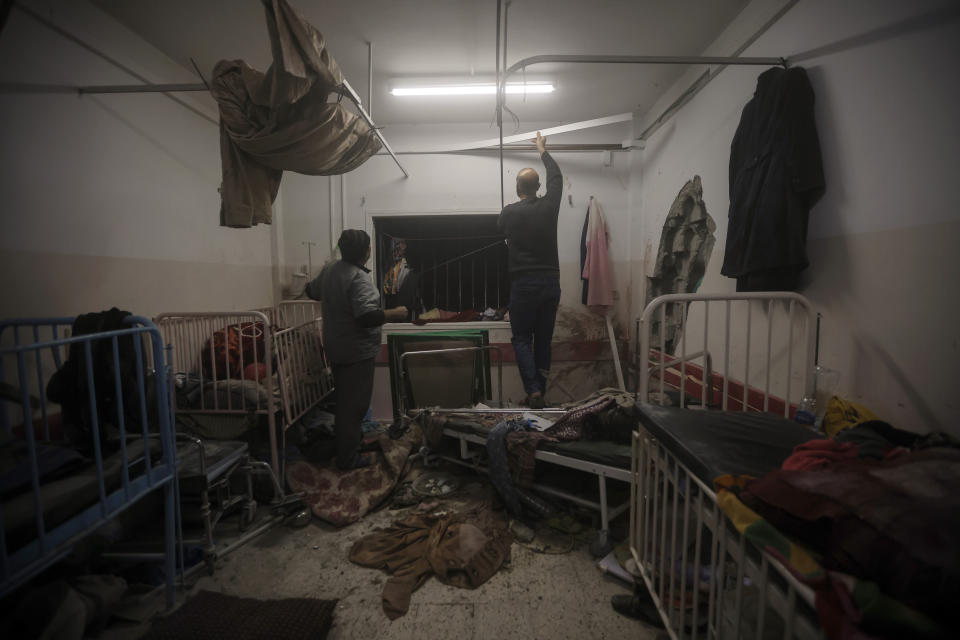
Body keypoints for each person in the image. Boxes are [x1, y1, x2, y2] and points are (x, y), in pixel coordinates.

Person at [306, 229, 407, 469]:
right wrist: (395, 313)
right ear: (367, 251)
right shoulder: (357, 278)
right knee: (354, 407)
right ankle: (348, 460)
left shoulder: (331, 269)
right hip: (356, 352)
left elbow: (311, 291)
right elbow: (366, 317)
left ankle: (348, 447)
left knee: (345, 403)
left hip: (336, 347)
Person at [497, 132, 562, 409]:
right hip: (550, 282)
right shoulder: (550, 205)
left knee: (522, 338)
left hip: (524, 284)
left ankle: (534, 391)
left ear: (517, 187)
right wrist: (542, 150)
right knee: (543, 340)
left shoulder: (509, 212)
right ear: (538, 186)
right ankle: (540, 392)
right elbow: (556, 177)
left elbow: (501, 230)